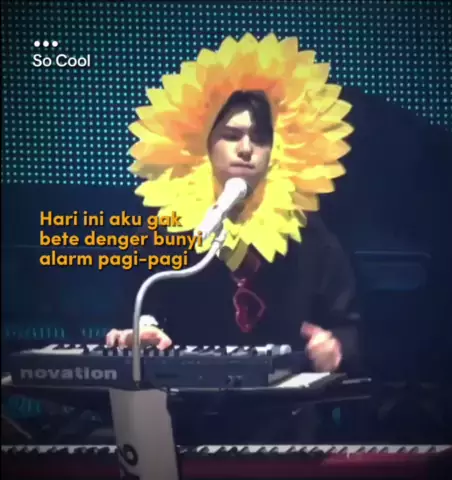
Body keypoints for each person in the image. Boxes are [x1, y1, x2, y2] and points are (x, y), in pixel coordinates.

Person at [105, 33, 363, 375]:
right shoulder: (164, 231)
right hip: (184, 399)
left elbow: (349, 329)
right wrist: (142, 330)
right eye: (231, 136)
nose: (245, 149)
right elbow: (134, 312)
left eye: (260, 138)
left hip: (285, 403)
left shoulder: (311, 237)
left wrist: (335, 347)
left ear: (275, 150)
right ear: (205, 143)